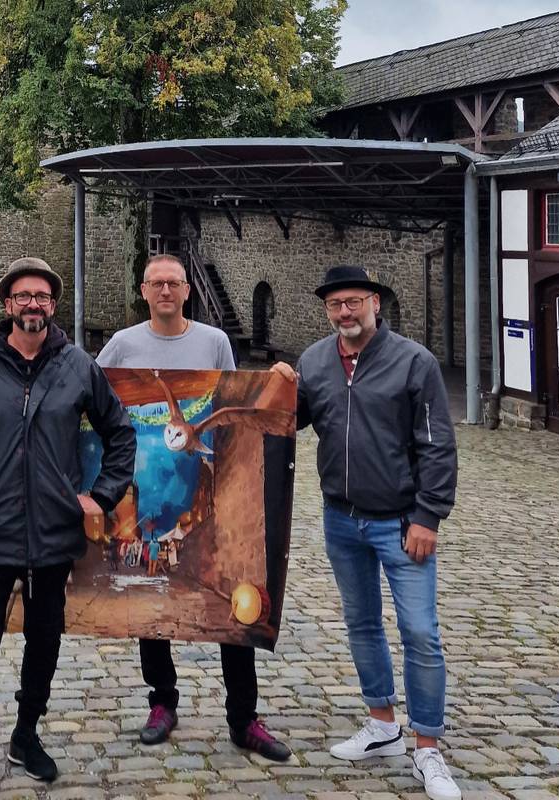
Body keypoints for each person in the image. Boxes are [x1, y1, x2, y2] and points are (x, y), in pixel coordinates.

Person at [0, 257, 136, 798]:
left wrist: (100, 496)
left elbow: (119, 434)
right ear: (8, 305)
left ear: (53, 305)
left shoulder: (77, 366)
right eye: (23, 296)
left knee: (44, 641)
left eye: (42, 296)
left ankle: (26, 734)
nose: (33, 304)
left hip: (52, 532)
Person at [95, 253, 294, 762]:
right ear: (144, 291)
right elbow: (93, 393)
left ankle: (243, 717)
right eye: (157, 283)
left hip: (203, 479)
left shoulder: (214, 341)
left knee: (233, 595)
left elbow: (235, 399)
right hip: (148, 483)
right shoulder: (123, 344)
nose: (165, 291)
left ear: (186, 291)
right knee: (152, 601)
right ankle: (162, 701)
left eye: (174, 283)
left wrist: (275, 380)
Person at [286, 265, 460, 800]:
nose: (345, 312)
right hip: (341, 518)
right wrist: (276, 387)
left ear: (375, 303)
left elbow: (437, 444)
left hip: (400, 521)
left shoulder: (413, 362)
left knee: (420, 632)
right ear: (326, 310)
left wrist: (428, 516)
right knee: (361, 623)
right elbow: (290, 420)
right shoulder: (315, 361)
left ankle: (427, 748)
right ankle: (382, 724)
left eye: (354, 302)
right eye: (335, 304)